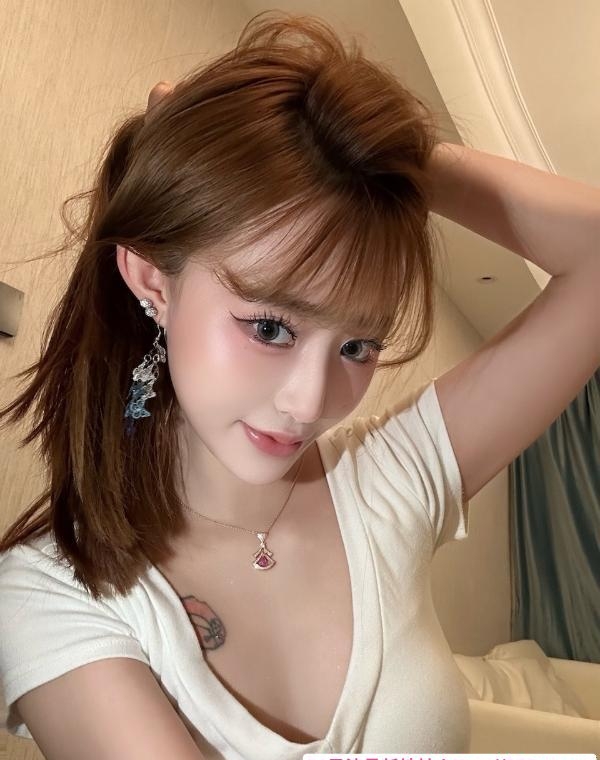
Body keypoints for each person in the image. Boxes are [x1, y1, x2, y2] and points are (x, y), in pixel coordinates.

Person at [1, 11, 599, 760]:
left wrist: (375, 153)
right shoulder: (53, 594)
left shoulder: (390, 482)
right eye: (269, 327)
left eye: (357, 346)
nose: (310, 401)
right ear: (153, 280)